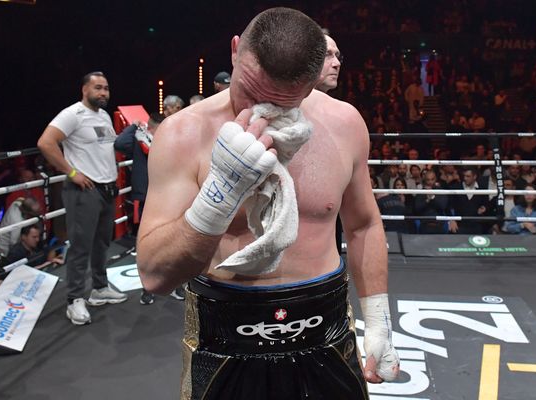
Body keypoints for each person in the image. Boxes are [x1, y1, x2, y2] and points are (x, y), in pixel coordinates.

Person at [137, 8, 399, 399]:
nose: (260, 112)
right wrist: (219, 194)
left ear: (312, 83)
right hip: (224, 335)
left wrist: (377, 320)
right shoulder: (182, 134)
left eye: (282, 102)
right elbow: (155, 276)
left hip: (325, 325)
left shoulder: (344, 124)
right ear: (234, 51)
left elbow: (362, 224)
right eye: (251, 92)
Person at [37, 71, 127, 326]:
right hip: (84, 190)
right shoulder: (72, 114)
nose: (103, 93)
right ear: (84, 89)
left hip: (107, 189)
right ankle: (74, 299)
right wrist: (72, 172)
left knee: (101, 244)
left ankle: (99, 288)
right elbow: (46, 142)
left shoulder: (104, 116)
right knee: (80, 246)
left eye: (106, 88)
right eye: (98, 88)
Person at [114, 112, 164, 305]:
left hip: (164, 197)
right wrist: (133, 126)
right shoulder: (137, 141)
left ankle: (175, 286)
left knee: (168, 242)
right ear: (150, 128)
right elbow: (118, 144)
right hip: (144, 199)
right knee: (145, 245)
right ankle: (147, 288)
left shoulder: (167, 143)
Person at [315, 32, 344, 253]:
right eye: (327, 55)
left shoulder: (342, 117)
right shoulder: (279, 112)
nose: (336, 63)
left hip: (331, 223)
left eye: (338, 56)